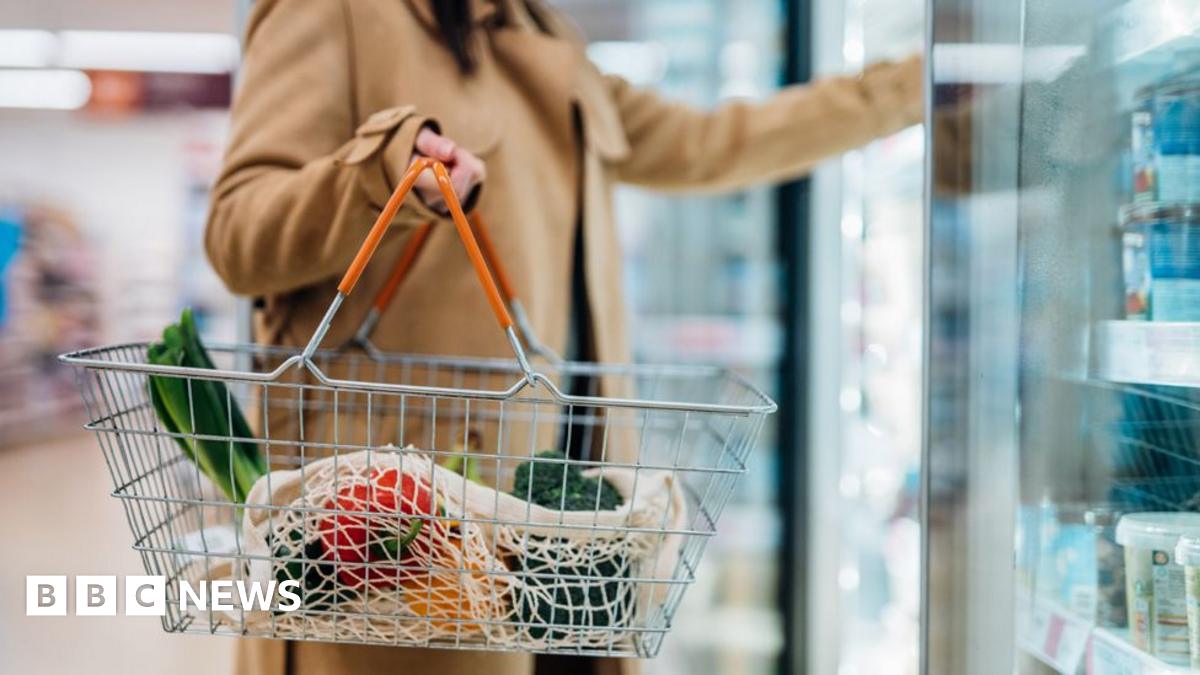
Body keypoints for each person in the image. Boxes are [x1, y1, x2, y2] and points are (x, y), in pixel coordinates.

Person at [204, 1, 922, 674]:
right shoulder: (337, 12)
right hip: (400, 544)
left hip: (569, 535)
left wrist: (910, 87)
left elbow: (710, 145)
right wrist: (384, 171)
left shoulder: (540, 30)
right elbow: (238, 235)